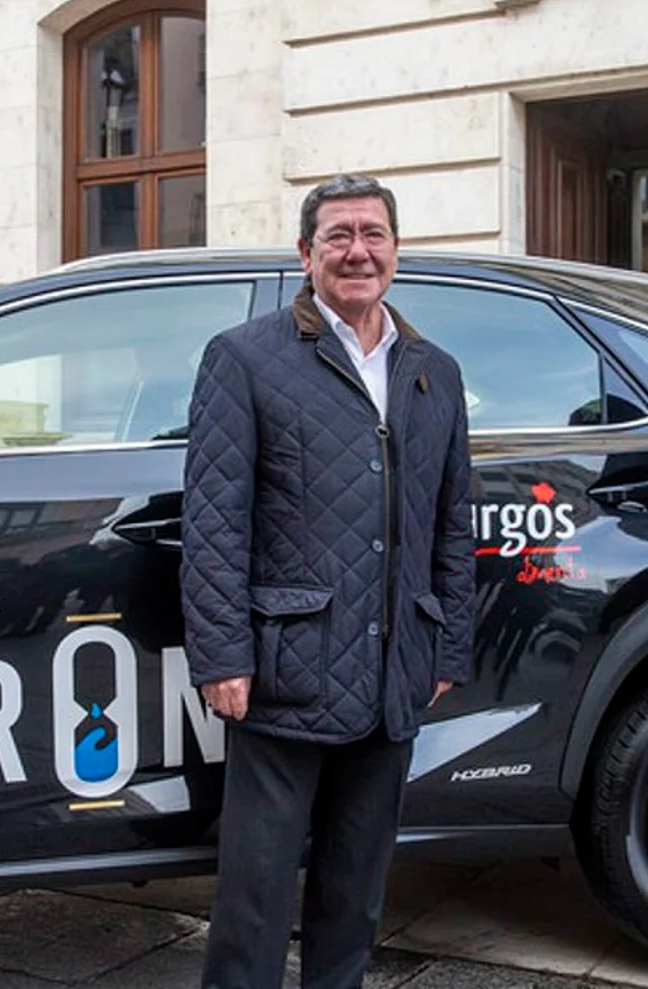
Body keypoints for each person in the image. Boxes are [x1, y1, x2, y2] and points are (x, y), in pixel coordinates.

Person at [180, 173, 475, 989]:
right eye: (338, 235)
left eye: (373, 234)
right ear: (306, 253)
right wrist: (221, 655)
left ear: (396, 249)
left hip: (392, 673)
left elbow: (453, 520)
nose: (358, 251)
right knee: (255, 900)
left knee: (356, 895)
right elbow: (213, 520)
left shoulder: (434, 371)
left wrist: (446, 641)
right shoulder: (244, 358)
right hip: (284, 670)